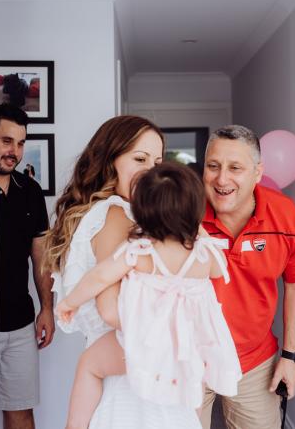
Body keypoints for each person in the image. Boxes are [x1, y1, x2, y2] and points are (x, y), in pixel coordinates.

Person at [55, 162, 242, 428]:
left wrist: (69, 302)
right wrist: (197, 229)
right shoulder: (204, 256)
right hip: (187, 347)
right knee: (192, 387)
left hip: (146, 343)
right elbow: (218, 267)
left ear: (142, 211)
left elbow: (100, 277)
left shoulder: (141, 251)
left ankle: (75, 426)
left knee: (89, 365)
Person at [44, 115, 201, 429]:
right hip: (133, 376)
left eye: (156, 162)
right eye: (139, 158)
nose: (149, 171)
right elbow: (111, 308)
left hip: (130, 367)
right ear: (108, 162)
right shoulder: (117, 214)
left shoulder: (125, 215)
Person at [199, 125, 295, 429]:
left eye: (235, 168)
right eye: (213, 166)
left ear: (257, 172)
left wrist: (290, 358)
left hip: (254, 361)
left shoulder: (285, 215)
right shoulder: (182, 212)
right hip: (189, 359)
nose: (221, 178)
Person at [0, 103, 55, 429]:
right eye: (6, 141)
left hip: (19, 324)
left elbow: (41, 256)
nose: (14, 152)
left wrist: (47, 308)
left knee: (20, 413)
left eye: (19, 143)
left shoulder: (30, 191)